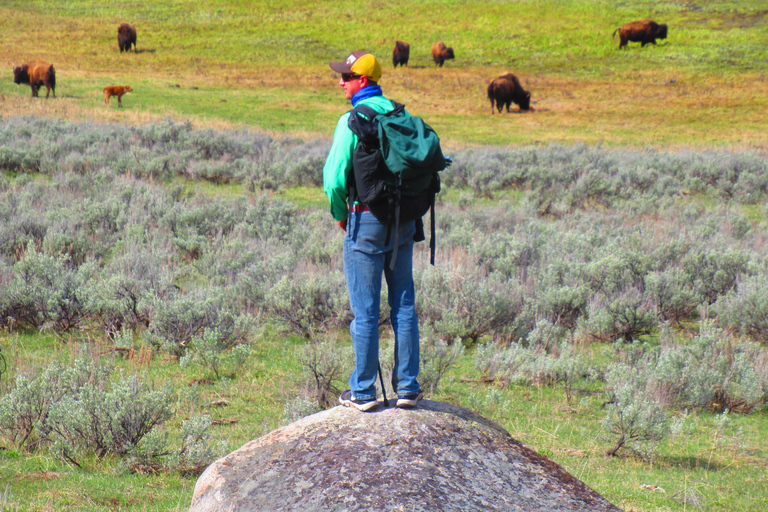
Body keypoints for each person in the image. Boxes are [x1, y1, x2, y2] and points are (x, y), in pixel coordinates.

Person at [323, 51, 422, 412]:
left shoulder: (350, 119)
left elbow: (334, 179)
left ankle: (363, 391)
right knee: (404, 306)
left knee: (365, 311)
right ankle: (408, 387)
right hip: (404, 221)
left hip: (364, 220)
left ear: (363, 81)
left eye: (346, 77)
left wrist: (340, 215)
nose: (340, 82)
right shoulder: (401, 114)